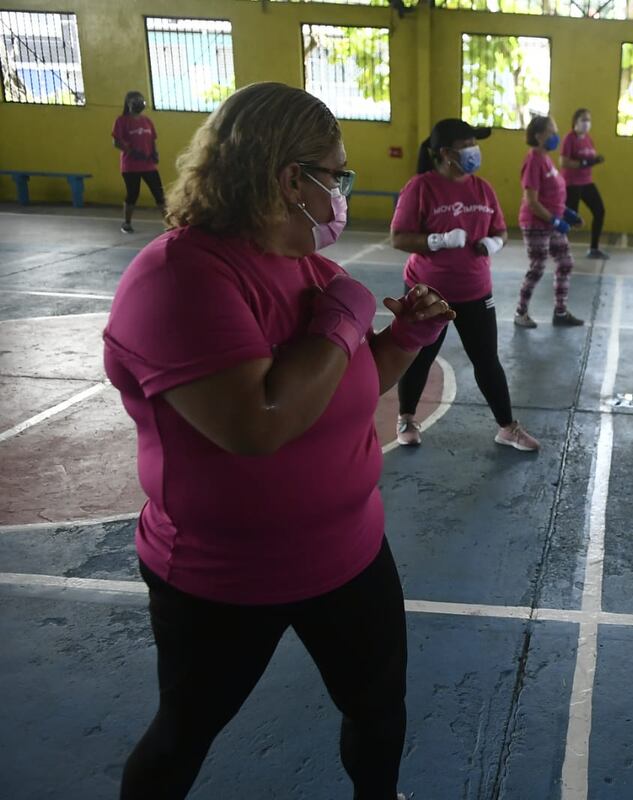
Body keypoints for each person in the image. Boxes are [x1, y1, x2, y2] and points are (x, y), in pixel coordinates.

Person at [104, 82, 454, 800]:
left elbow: (345, 388)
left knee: (379, 714)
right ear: (290, 179)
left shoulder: (310, 271)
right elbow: (258, 422)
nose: (343, 195)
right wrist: (343, 318)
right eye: (338, 175)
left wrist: (406, 336)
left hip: (351, 555)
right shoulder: (177, 280)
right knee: (184, 734)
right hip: (224, 577)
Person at [390, 118, 541, 451]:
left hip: (476, 291)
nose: (475, 150)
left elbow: (499, 230)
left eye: (476, 143)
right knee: (420, 358)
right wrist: (438, 240)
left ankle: (507, 427)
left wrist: (494, 244)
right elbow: (398, 237)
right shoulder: (420, 187)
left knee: (487, 360)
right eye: (467, 144)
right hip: (427, 292)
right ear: (445, 152)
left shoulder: (482, 188)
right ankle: (406, 418)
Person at [515, 115, 585, 328]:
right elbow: (533, 201)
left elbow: (551, 196)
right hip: (537, 224)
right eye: (551, 132)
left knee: (565, 263)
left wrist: (567, 213)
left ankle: (560, 312)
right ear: (538, 135)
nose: (556, 136)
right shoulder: (533, 161)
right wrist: (556, 221)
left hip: (551, 221)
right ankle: (521, 312)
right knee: (538, 267)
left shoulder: (546, 159)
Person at [112, 90, 165, 233]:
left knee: (159, 194)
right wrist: (132, 151)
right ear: (128, 103)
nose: (139, 104)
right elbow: (116, 142)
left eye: (141, 101)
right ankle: (127, 223)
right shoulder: (121, 121)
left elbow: (152, 140)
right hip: (130, 166)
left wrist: (154, 153)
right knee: (133, 194)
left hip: (149, 164)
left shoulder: (147, 121)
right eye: (136, 101)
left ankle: (170, 223)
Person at [561, 108, 608, 260]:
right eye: (583, 120)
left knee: (599, 211)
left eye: (589, 120)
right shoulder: (569, 138)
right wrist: (585, 162)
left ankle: (594, 249)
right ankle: (558, 247)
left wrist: (594, 161)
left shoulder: (588, 139)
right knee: (570, 218)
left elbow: (590, 158)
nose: (587, 123)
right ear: (575, 122)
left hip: (587, 182)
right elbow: (563, 162)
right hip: (572, 183)